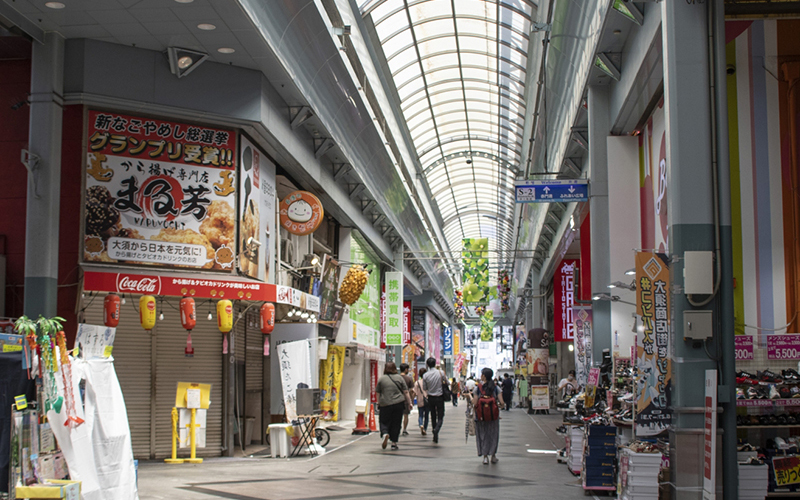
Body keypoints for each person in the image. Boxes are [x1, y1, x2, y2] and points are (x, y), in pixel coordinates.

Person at [465, 367, 504, 464]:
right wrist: (497, 407)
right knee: (493, 435)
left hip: (480, 416)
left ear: (484, 376)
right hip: (493, 417)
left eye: (482, 374)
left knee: (482, 435)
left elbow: (474, 403)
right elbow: (502, 402)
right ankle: (493, 456)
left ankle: (485, 456)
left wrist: (469, 396)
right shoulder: (496, 387)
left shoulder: (478, 388)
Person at [375, 362, 412, 451]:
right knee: (396, 423)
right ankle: (394, 443)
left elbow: (378, 393)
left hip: (385, 404)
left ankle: (385, 433)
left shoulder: (381, 379)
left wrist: (378, 403)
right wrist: (409, 402)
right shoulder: (399, 378)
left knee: (384, 421)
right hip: (398, 403)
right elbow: (406, 392)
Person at [422, 357, 446, 443]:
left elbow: (425, 388)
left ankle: (434, 432)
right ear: (435, 364)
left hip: (430, 397)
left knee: (432, 415)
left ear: (427, 365)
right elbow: (446, 382)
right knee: (440, 415)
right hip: (440, 397)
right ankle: (437, 429)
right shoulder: (441, 373)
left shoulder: (425, 375)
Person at [399, 363, 415, 436]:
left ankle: (397, 428)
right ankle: (404, 429)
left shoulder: (397, 377)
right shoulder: (409, 378)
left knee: (398, 415)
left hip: (397, 399)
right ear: (406, 369)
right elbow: (411, 390)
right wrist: (411, 400)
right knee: (406, 415)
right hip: (405, 399)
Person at [414, 367, 429, 435]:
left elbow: (415, 392)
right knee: (426, 415)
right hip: (427, 400)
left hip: (420, 401)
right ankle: (425, 429)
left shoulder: (417, 382)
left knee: (420, 415)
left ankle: (421, 424)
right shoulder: (428, 382)